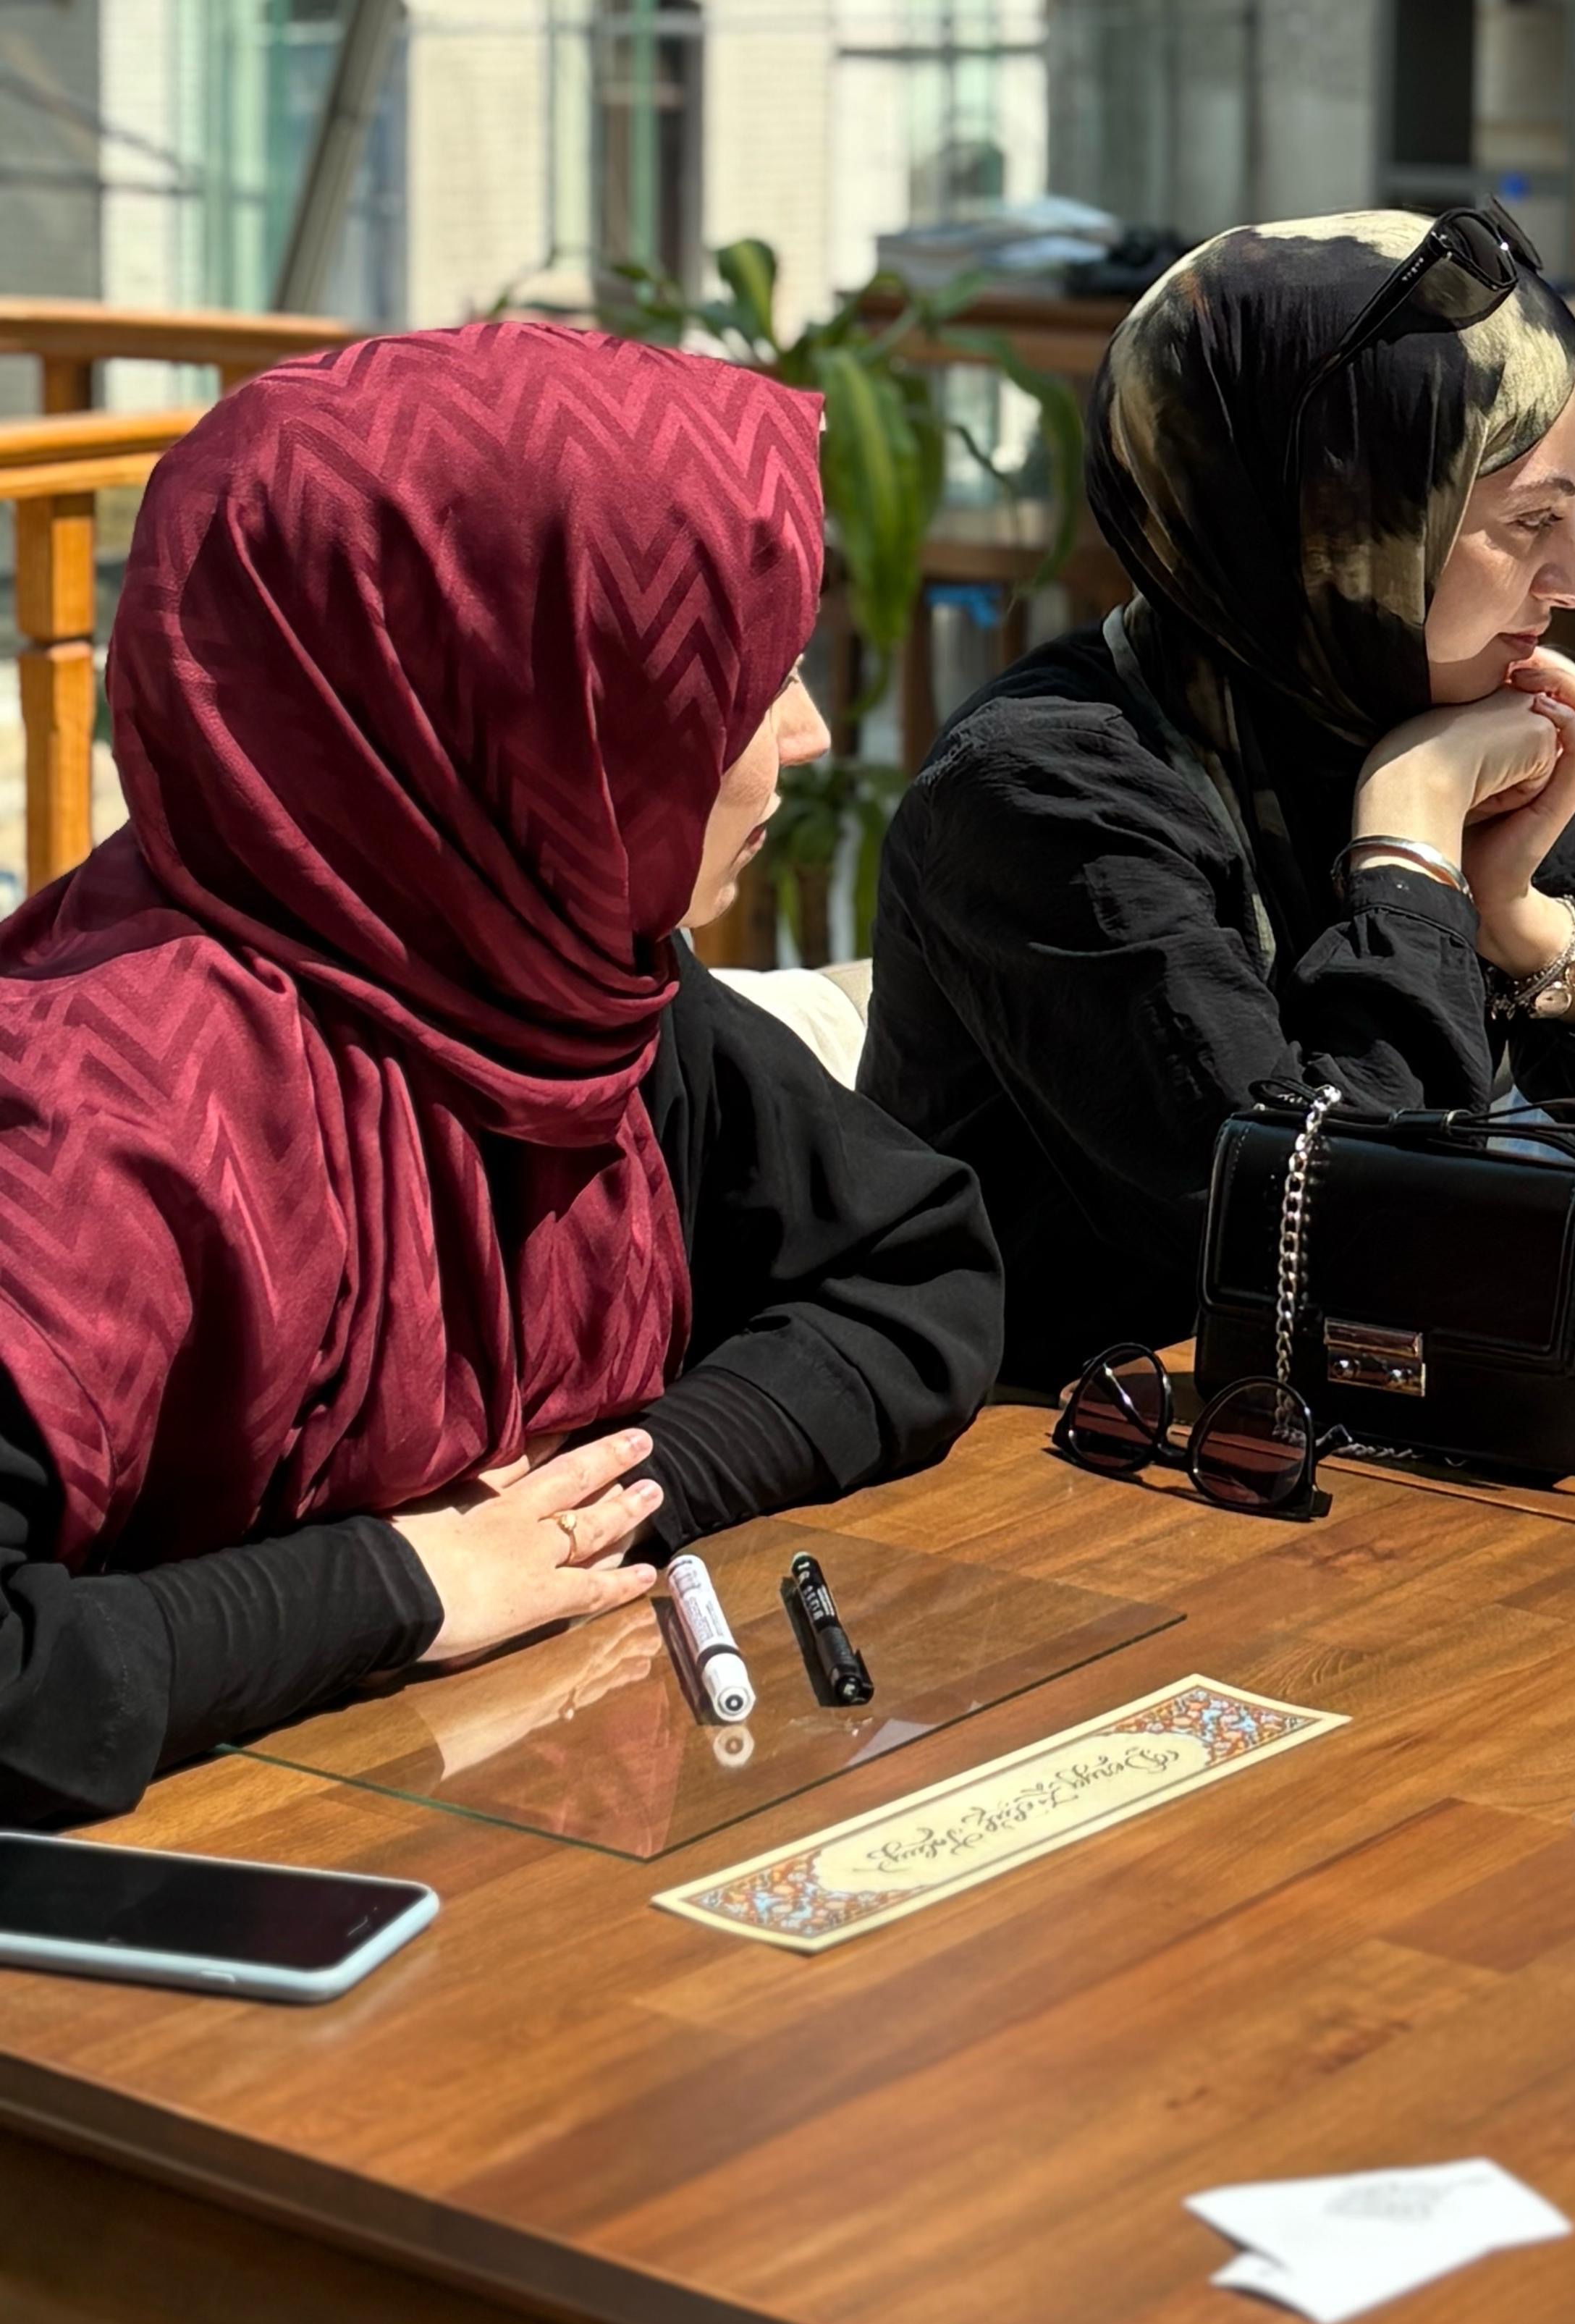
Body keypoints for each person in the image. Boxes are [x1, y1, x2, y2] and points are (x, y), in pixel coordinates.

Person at [0, 322, 1002, 1829]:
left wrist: (603, 1504)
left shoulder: (542, 970)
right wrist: (407, 1579)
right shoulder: (104, 1110)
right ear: (523, 701)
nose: (802, 733)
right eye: (741, 675)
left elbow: (915, 1275)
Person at [858, 208, 1575, 1392]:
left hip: (1340, 1455)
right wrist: (1412, 851)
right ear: (1336, 524)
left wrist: (1524, 926)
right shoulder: (1048, 798)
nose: (1574, 582)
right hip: (1085, 1495)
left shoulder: (1378, 706)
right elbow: (1333, 1236)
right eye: (1530, 522)